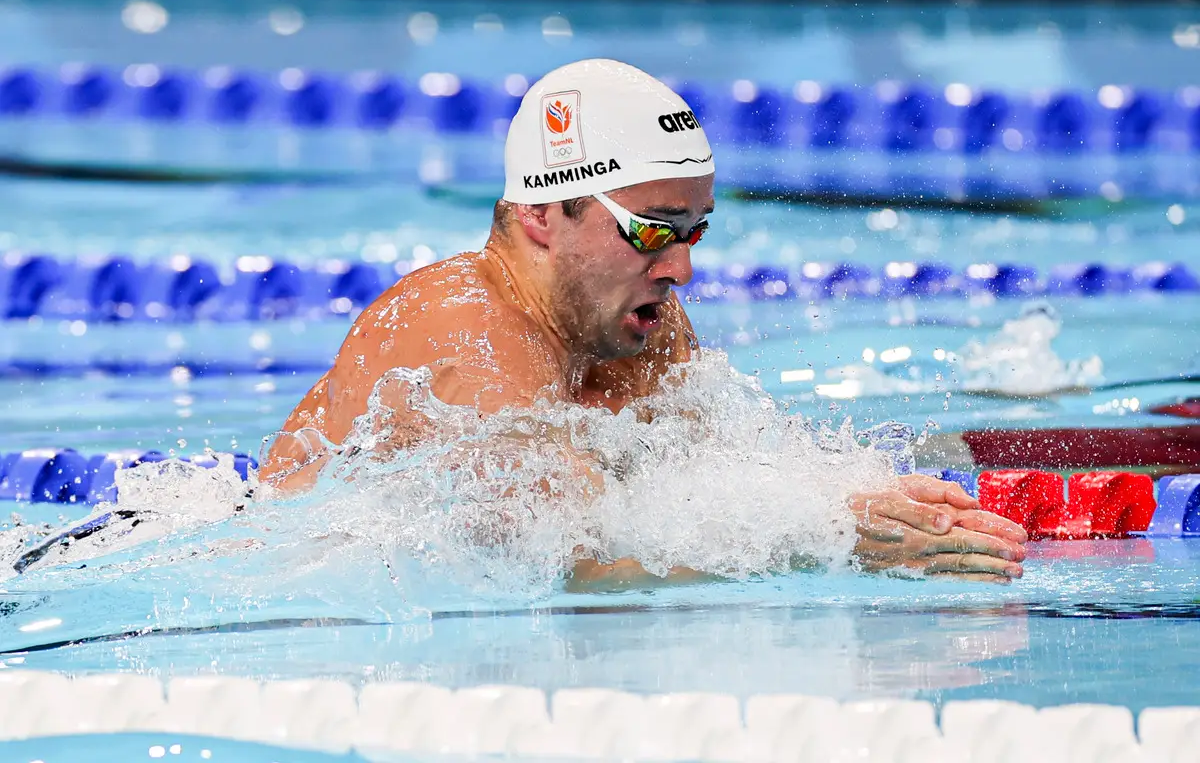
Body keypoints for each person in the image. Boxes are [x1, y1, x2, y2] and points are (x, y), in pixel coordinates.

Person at [261, 59, 1027, 588]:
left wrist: (866, 503)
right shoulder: (467, 336)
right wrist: (822, 539)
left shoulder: (638, 322)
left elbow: (705, 482)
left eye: (694, 230)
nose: (681, 268)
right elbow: (563, 561)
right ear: (540, 215)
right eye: (653, 230)